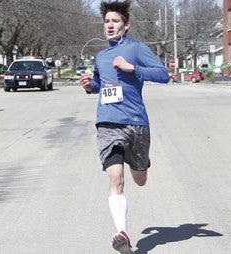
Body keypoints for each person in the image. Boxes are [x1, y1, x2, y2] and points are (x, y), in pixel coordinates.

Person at [79, 1, 169, 253]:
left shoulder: (137, 49)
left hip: (136, 122)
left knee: (139, 179)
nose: (109, 25)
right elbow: (99, 85)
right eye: (107, 21)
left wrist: (133, 68)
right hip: (108, 122)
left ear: (126, 25)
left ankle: (142, 163)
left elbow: (163, 75)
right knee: (115, 177)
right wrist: (89, 86)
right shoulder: (101, 56)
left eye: (115, 21)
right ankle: (122, 233)